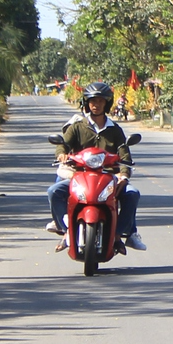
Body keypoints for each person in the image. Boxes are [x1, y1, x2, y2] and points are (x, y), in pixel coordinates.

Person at [47, 82, 145, 250]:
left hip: (108, 178)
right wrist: (61, 154)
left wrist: (123, 175)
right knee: (54, 191)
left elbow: (125, 156)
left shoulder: (115, 130)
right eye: (93, 101)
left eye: (100, 101)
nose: (96, 105)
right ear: (87, 103)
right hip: (80, 177)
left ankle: (120, 235)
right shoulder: (77, 127)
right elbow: (63, 144)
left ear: (107, 103)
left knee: (132, 194)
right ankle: (66, 230)